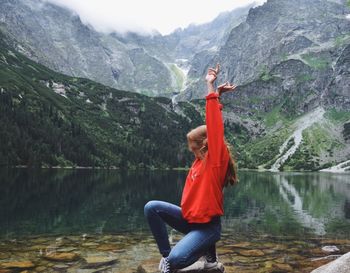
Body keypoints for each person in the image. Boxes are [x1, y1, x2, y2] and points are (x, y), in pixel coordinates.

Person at [144, 63, 239, 273]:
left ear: (204, 146)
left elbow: (214, 127)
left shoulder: (215, 162)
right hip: (191, 221)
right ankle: (174, 258)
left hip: (208, 228)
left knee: (178, 260)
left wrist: (211, 88)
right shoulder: (199, 162)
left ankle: (187, 258)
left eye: (193, 148)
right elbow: (211, 129)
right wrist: (219, 97)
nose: (191, 151)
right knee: (151, 207)